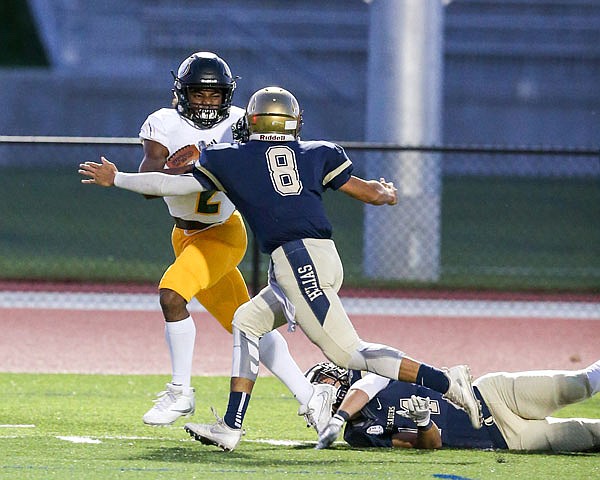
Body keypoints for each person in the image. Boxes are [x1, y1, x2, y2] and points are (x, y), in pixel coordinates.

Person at [78, 86, 483, 452]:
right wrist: (388, 193)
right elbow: (369, 193)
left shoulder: (234, 159)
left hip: (297, 260)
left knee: (348, 352)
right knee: (246, 321)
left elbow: (173, 186)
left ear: (250, 122)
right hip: (314, 255)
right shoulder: (316, 151)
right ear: (295, 124)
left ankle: (448, 382)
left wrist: (117, 180)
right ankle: (231, 427)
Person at [131, 52, 335, 432]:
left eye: (214, 95)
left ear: (227, 95)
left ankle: (180, 391)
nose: (207, 102)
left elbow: (271, 160)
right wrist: (173, 167)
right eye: (199, 94)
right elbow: (148, 185)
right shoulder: (164, 121)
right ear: (181, 92)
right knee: (246, 323)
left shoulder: (242, 122)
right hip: (185, 235)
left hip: (223, 233)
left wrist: (205, 157)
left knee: (172, 295)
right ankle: (312, 397)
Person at [306, 360, 600, 452]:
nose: (326, 388)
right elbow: (430, 445)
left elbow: (366, 385)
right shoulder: (358, 435)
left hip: (493, 394)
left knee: (580, 384)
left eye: (325, 381)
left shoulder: (366, 373)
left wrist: (340, 414)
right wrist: (423, 423)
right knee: (590, 436)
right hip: (503, 438)